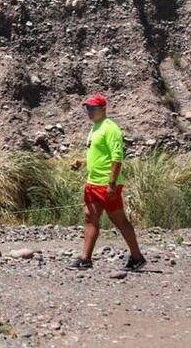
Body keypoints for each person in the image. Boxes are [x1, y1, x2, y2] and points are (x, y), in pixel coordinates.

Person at [69, 93, 146, 272]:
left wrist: (112, 184)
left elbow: (116, 158)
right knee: (90, 217)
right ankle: (85, 258)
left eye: (93, 108)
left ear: (103, 109)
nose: (89, 111)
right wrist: (82, 162)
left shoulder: (110, 128)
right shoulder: (95, 128)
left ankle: (137, 257)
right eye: (88, 108)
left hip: (106, 184)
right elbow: (99, 155)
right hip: (92, 182)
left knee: (118, 219)